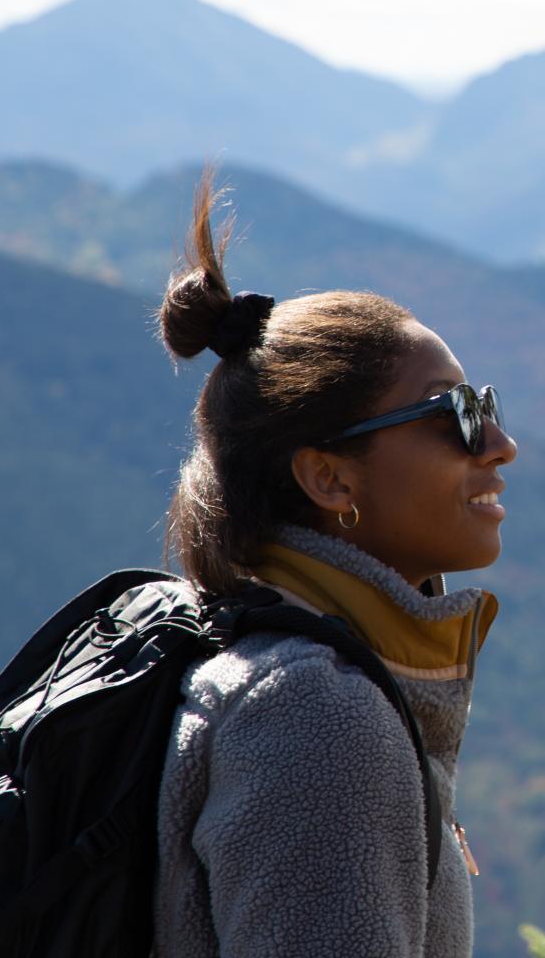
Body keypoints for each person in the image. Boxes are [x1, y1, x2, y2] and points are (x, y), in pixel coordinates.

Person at [149, 176, 517, 957]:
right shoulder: (317, 714)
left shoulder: (275, 662)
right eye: (455, 412)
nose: (498, 443)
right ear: (329, 478)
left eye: (485, 405)